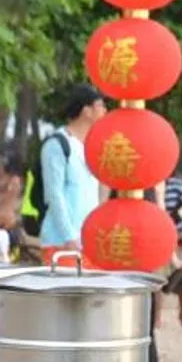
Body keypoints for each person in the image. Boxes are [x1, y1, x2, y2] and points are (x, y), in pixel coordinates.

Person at [37, 85, 108, 250]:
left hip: (89, 241)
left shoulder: (95, 146)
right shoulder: (58, 144)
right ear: (86, 111)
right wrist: (69, 236)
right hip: (61, 242)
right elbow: (54, 194)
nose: (105, 111)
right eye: (100, 106)